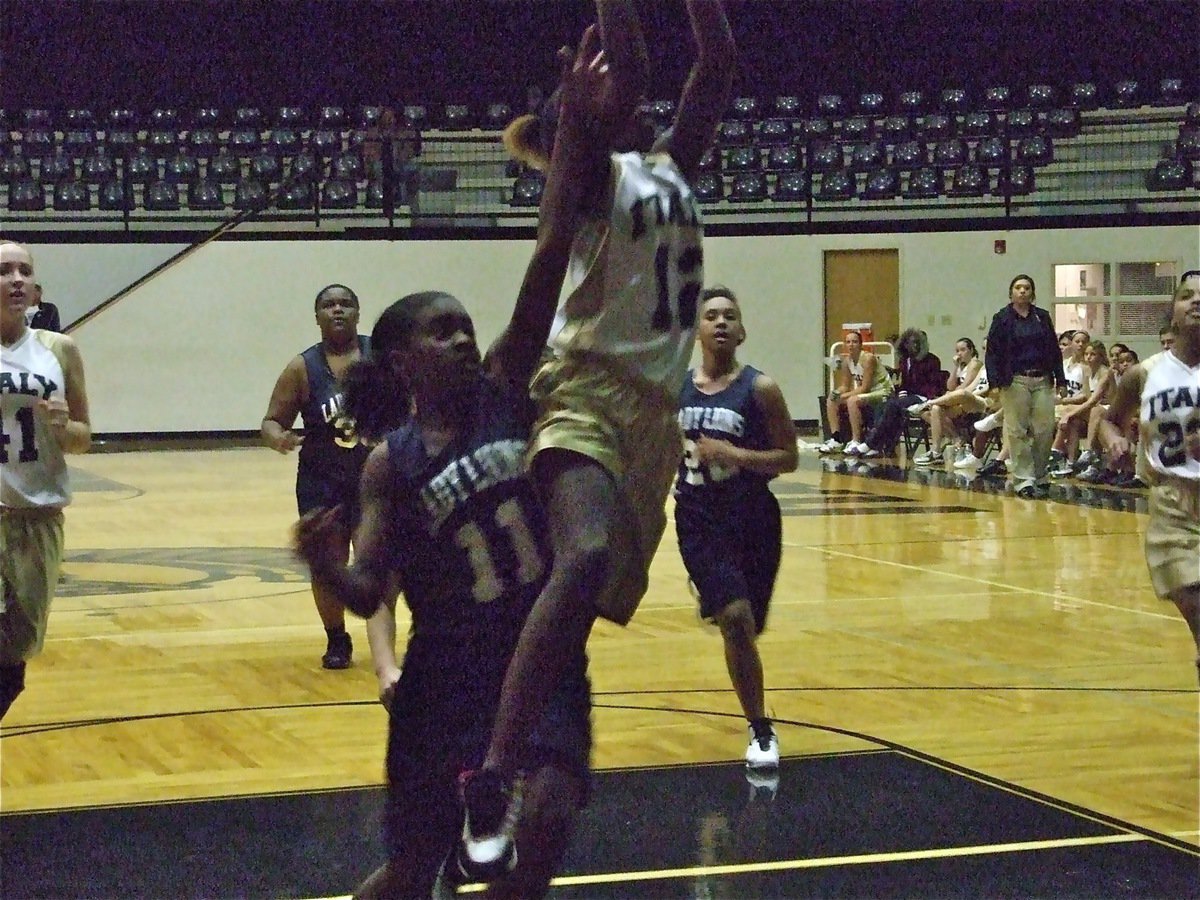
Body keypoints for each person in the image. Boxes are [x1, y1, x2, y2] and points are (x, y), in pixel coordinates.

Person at [293, 35, 604, 898]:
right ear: (400, 363)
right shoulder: (390, 467)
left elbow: (548, 251)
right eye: (443, 330)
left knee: (541, 823)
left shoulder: (507, 384)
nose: (464, 337)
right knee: (411, 869)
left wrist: (570, 131)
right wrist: (322, 561)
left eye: (466, 324)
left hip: (537, 665)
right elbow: (368, 594)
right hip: (443, 681)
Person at [460, 0, 736, 880]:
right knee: (579, 559)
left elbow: (716, 65)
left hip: (655, 416)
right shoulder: (586, 173)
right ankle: (493, 772)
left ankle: (527, 753)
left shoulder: (671, 172)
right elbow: (639, 72)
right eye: (611, 93)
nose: (635, 96)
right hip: (580, 387)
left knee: (574, 592)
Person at [674, 286, 797, 772]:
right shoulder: (676, 389)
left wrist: (736, 455)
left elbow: (787, 457)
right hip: (699, 519)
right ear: (698, 329)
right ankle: (761, 730)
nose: (721, 322)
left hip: (753, 520)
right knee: (737, 619)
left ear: (741, 329)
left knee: (749, 626)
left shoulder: (759, 389)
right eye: (711, 316)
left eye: (729, 316)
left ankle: (720, 601)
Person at [1, 240, 91, 720]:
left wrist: (62, 428)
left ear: (35, 289)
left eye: (24, 271)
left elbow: (83, 436)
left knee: (17, 650)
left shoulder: (59, 349)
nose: (16, 279)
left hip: (37, 515)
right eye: (4, 270)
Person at [1097, 269, 1200, 681]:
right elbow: (1109, 419)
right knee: (1193, 597)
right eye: (1187, 295)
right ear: (1172, 312)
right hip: (1172, 501)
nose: (1196, 302)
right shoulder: (1145, 372)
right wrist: (1113, 440)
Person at [262, 284, 370, 669]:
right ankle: (337, 638)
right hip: (321, 479)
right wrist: (279, 438)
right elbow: (272, 421)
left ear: (358, 312)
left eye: (345, 304)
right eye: (328, 305)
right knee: (328, 560)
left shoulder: (380, 358)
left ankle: (383, 638)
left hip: (374, 479)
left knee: (380, 560)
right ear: (318, 316)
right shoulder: (302, 367)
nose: (337, 310)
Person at [984, 274, 1066, 499]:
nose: (1022, 291)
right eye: (1018, 287)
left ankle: (1040, 474)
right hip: (1015, 380)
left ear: (1033, 292)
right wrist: (994, 383)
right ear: (1011, 293)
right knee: (1017, 430)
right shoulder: (1002, 318)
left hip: (1043, 378)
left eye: (1027, 288)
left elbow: (1054, 350)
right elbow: (992, 353)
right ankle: (1024, 480)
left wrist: (1061, 380)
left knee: (1045, 428)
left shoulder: (1042, 317)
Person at [857, 327, 944, 458]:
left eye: (916, 342)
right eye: (909, 342)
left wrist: (918, 398)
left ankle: (871, 443)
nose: (912, 345)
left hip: (924, 397)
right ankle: (884, 445)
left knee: (893, 406)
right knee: (885, 404)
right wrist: (902, 391)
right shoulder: (904, 361)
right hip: (909, 397)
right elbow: (904, 383)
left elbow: (932, 385)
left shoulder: (933, 360)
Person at [818, 328, 893, 455]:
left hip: (883, 391)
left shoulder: (868, 359)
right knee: (831, 399)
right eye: (848, 342)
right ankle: (836, 439)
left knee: (852, 401)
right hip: (867, 392)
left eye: (854, 342)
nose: (851, 345)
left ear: (860, 344)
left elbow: (865, 388)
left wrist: (844, 396)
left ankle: (856, 440)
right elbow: (845, 386)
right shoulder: (847, 361)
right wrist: (837, 393)